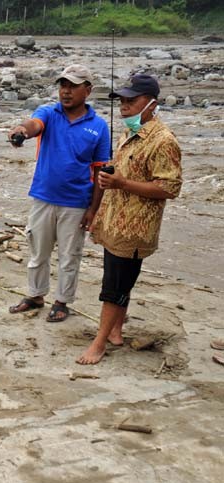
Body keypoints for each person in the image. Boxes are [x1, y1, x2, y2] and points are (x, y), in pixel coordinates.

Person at [77, 74, 182, 365]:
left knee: (114, 286)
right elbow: (122, 177)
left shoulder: (164, 141)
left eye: (131, 101)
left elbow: (169, 188)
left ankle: (98, 344)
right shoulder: (127, 135)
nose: (124, 107)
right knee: (121, 281)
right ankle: (116, 332)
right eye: (122, 101)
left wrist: (123, 184)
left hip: (135, 228)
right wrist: (106, 191)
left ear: (151, 104)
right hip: (115, 222)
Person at [7, 65, 111, 323]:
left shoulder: (99, 127)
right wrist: (20, 131)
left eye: (73, 86)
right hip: (43, 197)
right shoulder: (49, 113)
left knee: (69, 257)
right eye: (63, 85)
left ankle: (62, 301)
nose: (66, 91)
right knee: (38, 252)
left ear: (87, 90)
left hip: (76, 204)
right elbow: (33, 124)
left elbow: (101, 172)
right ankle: (35, 295)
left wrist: (93, 210)